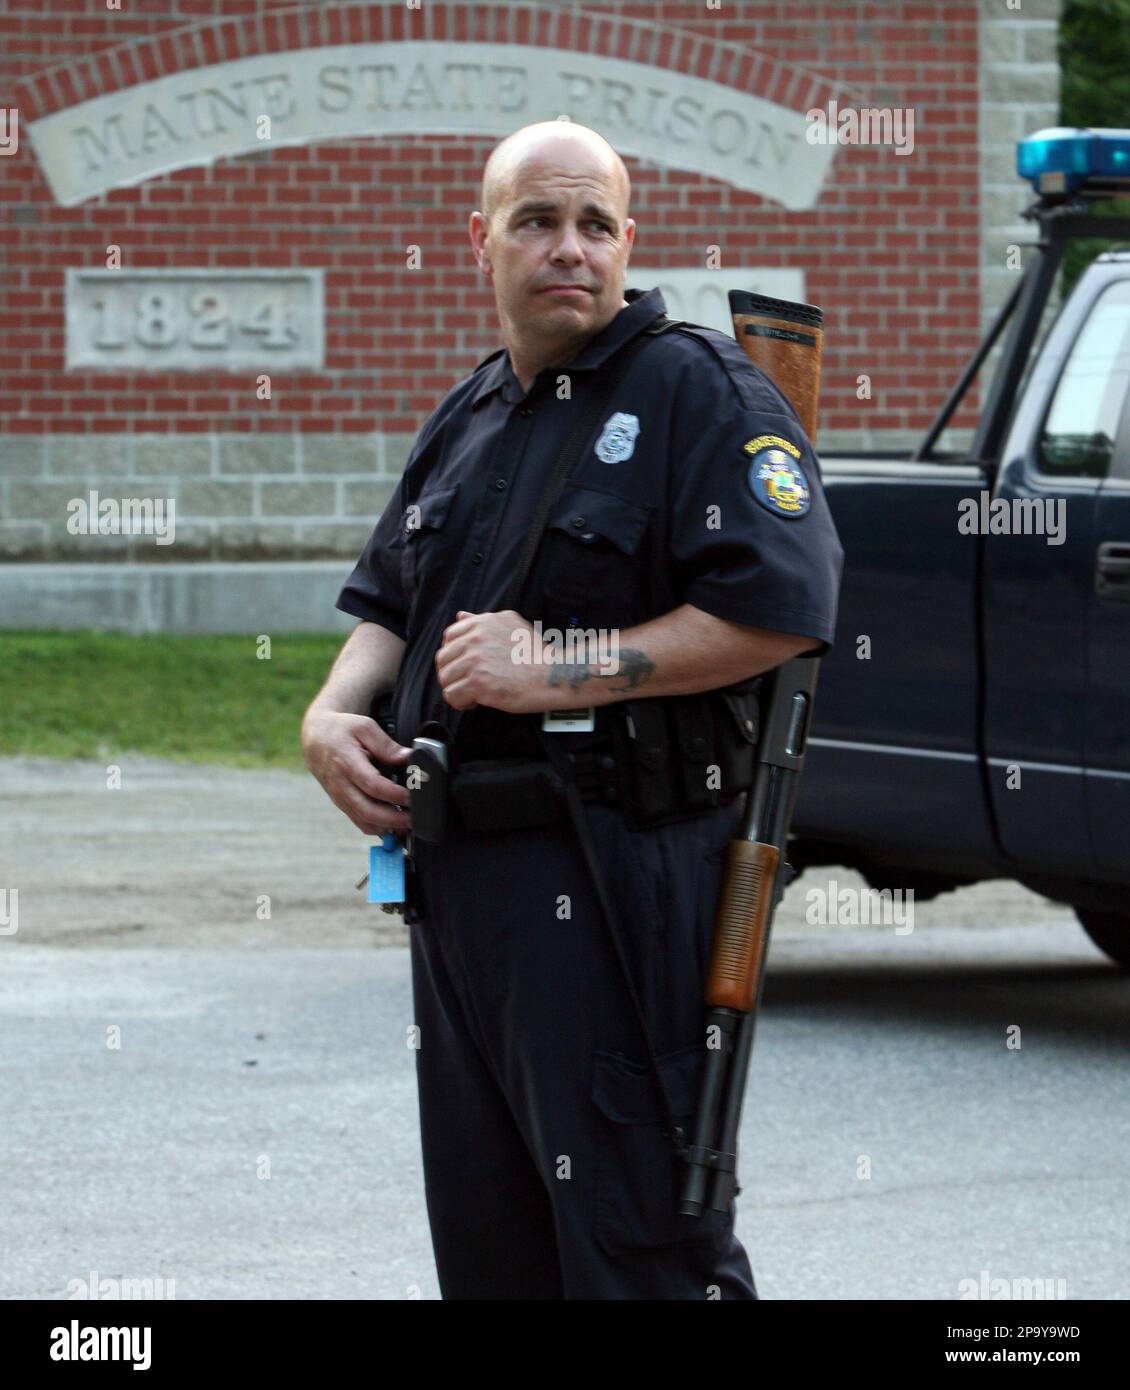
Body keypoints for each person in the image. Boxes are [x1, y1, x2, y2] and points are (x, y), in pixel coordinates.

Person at [301, 118, 844, 1299]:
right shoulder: (471, 413)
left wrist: (560, 666)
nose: (569, 247)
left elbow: (782, 612)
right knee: (495, 1251)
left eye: (595, 223)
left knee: (637, 1245)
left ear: (627, 241)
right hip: (459, 891)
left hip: (615, 878)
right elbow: (389, 603)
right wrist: (330, 713)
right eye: (538, 221)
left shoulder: (697, 391)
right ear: (480, 241)